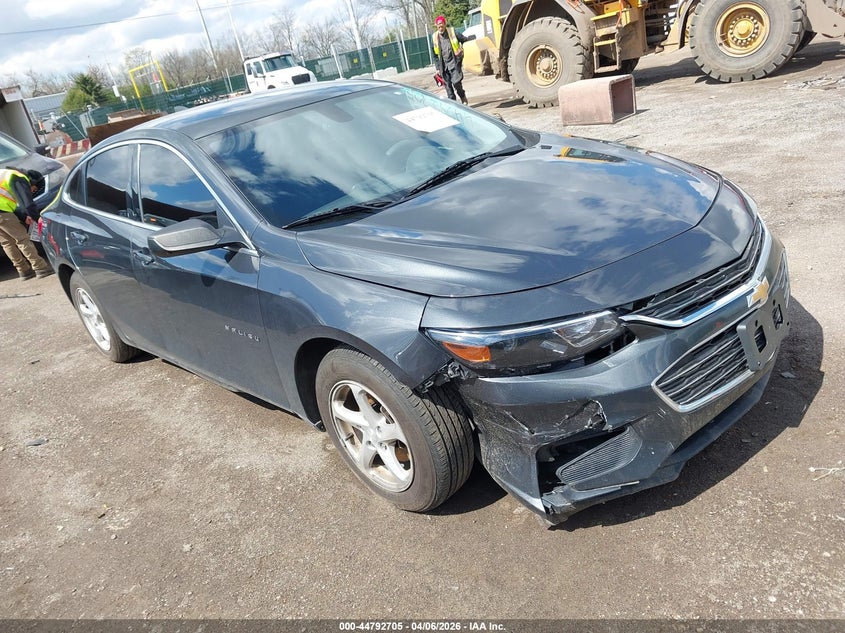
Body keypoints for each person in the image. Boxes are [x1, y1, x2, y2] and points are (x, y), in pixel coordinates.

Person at [0, 167, 53, 280]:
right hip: (3, 213)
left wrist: (23, 216)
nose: (33, 191)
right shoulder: (19, 177)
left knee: (7, 243)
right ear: (32, 182)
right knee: (22, 239)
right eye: (34, 189)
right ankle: (40, 268)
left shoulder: (6, 175)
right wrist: (37, 218)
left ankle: (24, 271)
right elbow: (27, 204)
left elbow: (7, 201)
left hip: (3, 212)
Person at [432, 15, 471, 105]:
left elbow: (464, 39)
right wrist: (438, 67)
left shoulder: (452, 32)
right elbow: (434, 54)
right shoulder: (434, 37)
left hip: (454, 63)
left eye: (442, 26)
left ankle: (463, 97)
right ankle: (454, 105)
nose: (440, 28)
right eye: (439, 27)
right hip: (443, 66)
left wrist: (462, 49)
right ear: (436, 26)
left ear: (445, 24)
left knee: (457, 83)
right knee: (448, 87)